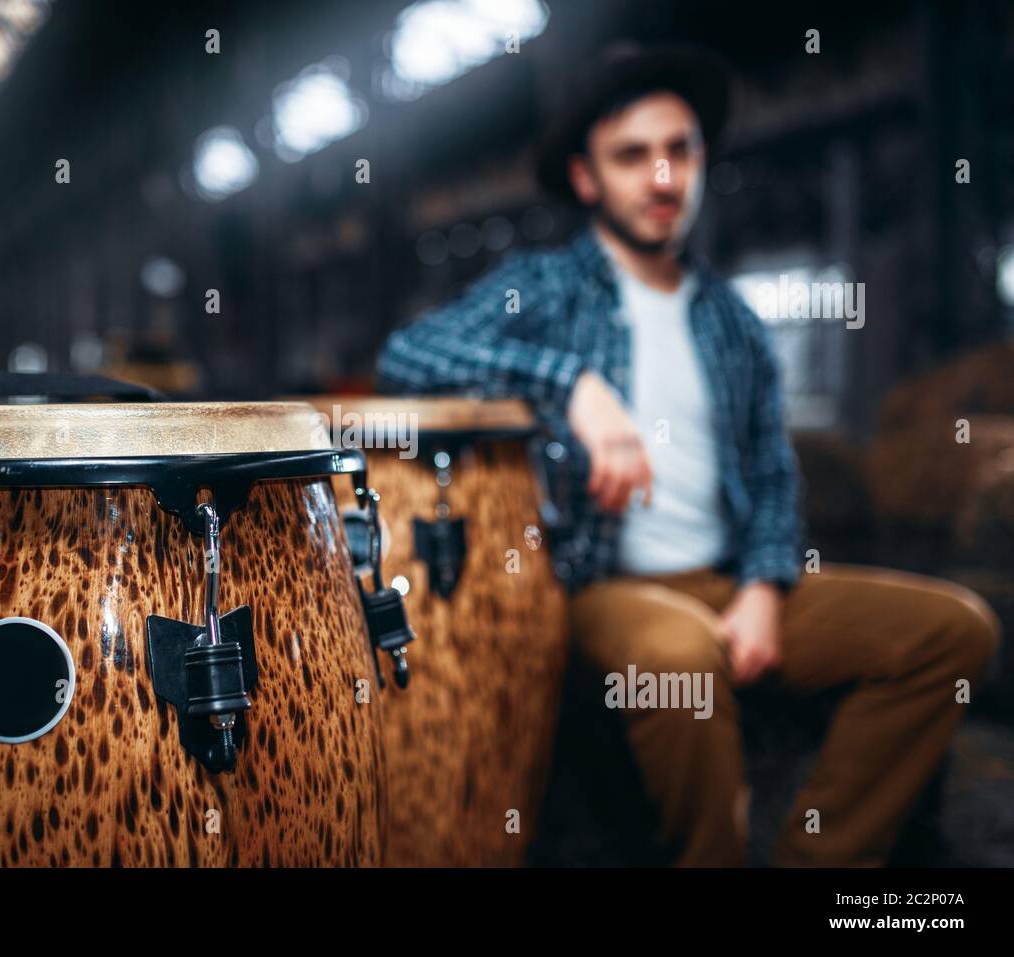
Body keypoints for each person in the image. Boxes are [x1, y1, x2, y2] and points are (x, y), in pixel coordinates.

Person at [376, 43, 1001, 866]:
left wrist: (766, 586)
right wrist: (574, 385)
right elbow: (409, 354)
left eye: (680, 150)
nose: (663, 176)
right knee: (680, 655)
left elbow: (774, 474)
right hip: (604, 585)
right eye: (633, 156)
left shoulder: (731, 321)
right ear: (588, 178)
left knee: (953, 628)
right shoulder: (548, 288)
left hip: (727, 572)